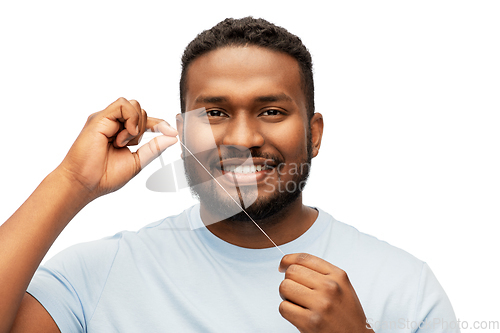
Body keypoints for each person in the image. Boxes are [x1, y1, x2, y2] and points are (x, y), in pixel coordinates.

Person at [0, 17, 458, 333]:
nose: (242, 137)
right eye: (215, 112)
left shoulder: (406, 287)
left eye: (272, 110)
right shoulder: (96, 275)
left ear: (314, 134)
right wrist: (71, 182)